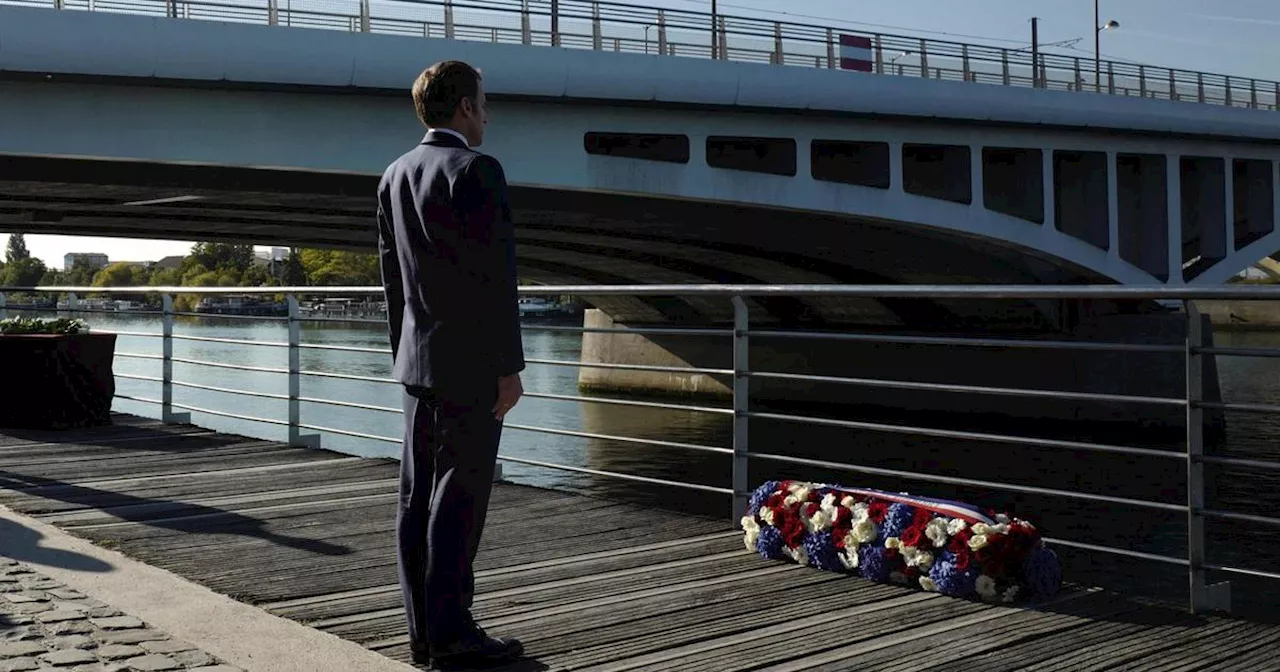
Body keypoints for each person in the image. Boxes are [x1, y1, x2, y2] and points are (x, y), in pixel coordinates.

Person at [376, 60, 526, 669]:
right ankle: (455, 635)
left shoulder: (394, 175)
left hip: (418, 365)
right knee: (460, 500)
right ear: (464, 106)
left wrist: (404, 355)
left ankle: (422, 635)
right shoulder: (477, 170)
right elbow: (496, 281)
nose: (488, 114)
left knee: (415, 500)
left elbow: (394, 284)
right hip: (469, 367)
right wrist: (508, 367)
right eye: (484, 103)